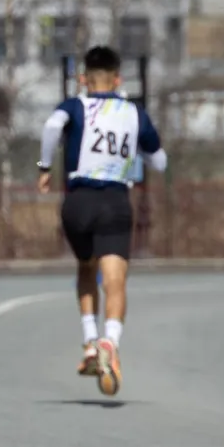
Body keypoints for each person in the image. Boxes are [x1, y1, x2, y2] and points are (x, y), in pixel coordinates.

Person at [38, 45, 167, 396]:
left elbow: (51, 127)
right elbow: (160, 162)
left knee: (85, 269)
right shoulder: (133, 112)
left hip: (77, 202)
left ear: (83, 79)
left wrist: (45, 166)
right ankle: (111, 340)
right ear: (118, 78)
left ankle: (90, 341)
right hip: (114, 202)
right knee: (115, 278)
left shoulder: (74, 106)